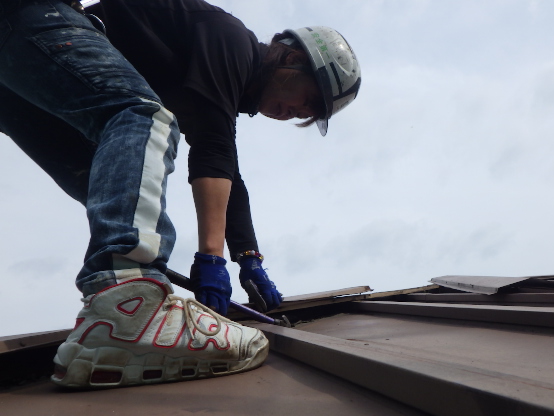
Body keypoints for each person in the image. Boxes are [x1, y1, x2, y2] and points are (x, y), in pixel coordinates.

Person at [0, 0, 361, 388]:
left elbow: (227, 171)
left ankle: (110, 307)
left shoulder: (228, 81)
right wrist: (212, 258)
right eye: (307, 99)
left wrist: (248, 256)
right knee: (143, 117)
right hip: (35, 18)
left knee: (108, 174)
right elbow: (213, 148)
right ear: (290, 58)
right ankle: (128, 305)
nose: (296, 113)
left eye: (307, 115)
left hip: (17, 71)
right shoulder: (232, 41)